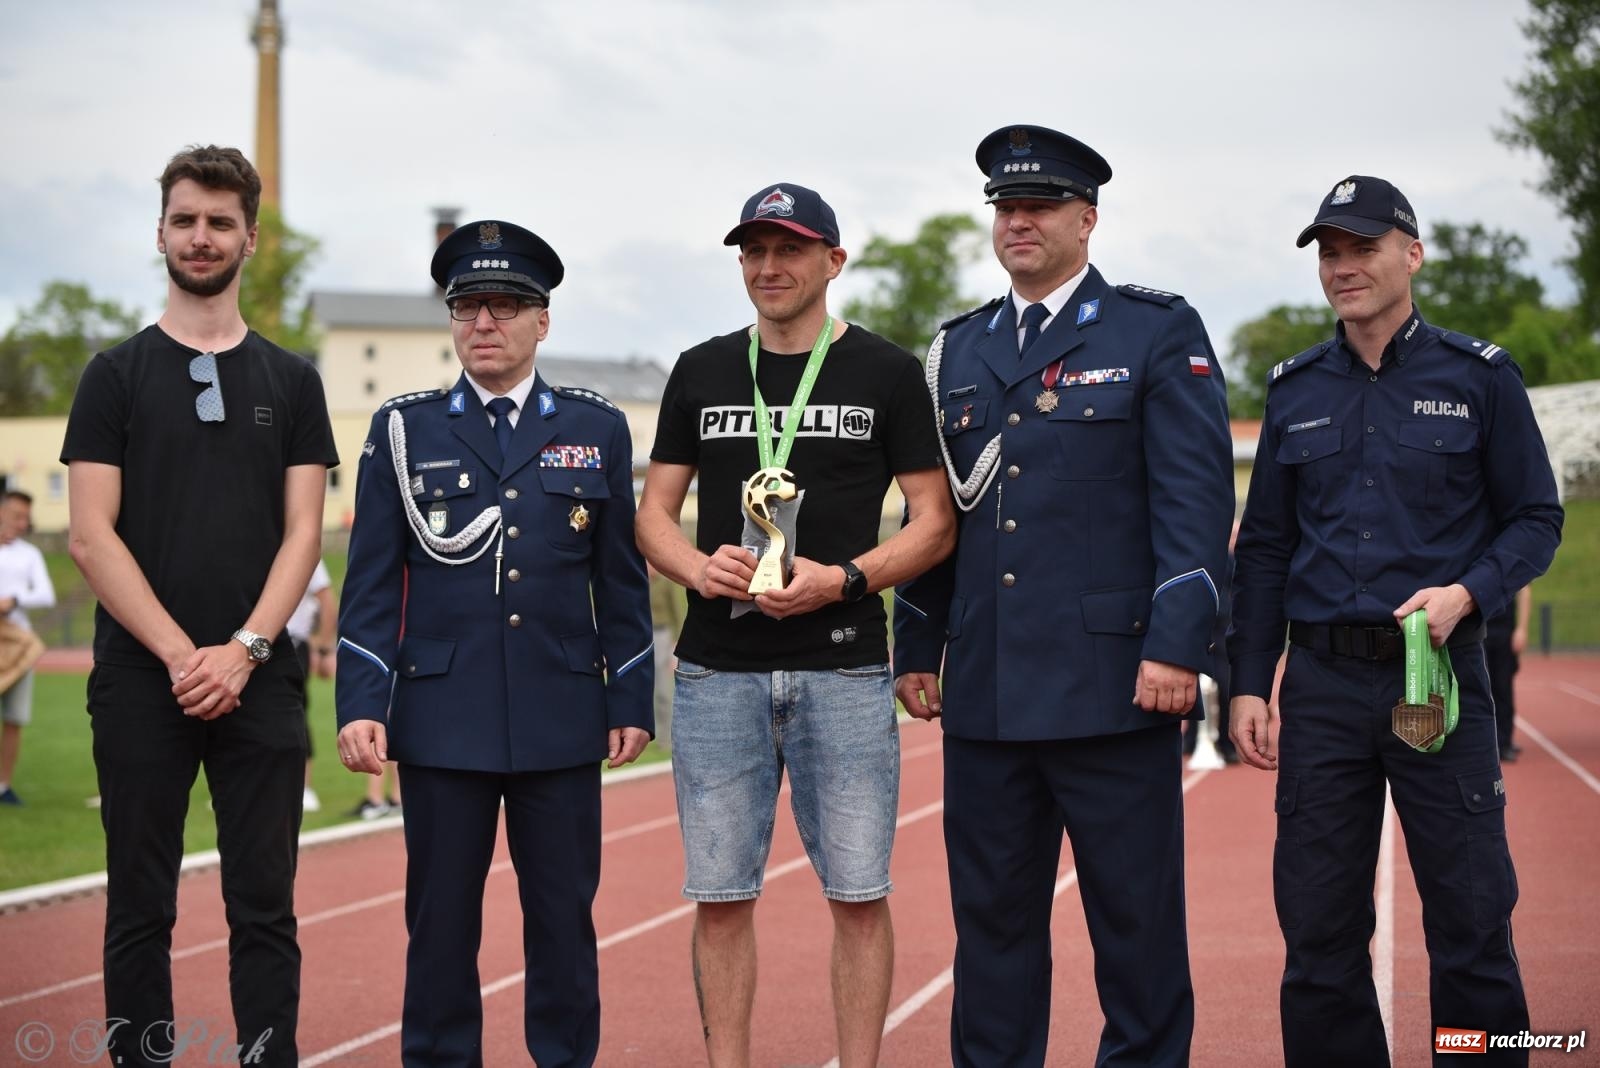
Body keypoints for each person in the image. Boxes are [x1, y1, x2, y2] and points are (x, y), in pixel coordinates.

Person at [893, 125, 1234, 1067]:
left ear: (1087, 218)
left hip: (1114, 687)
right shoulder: (956, 349)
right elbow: (938, 514)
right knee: (992, 930)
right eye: (1006, 207)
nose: (1020, 221)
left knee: (1135, 928)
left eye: (1039, 206)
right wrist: (917, 643)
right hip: (989, 692)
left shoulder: (1153, 330)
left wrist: (1177, 645)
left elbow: (1196, 507)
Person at [1228, 175, 1564, 1067]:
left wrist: (1468, 594)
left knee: (1471, 922)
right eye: (1330, 253)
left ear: (1411, 255)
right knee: (1318, 931)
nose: (1343, 267)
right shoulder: (1294, 389)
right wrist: (1249, 682)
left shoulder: (1480, 378)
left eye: (1363, 248)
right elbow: (1264, 549)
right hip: (1324, 688)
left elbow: (1537, 519)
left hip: (1438, 681)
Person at [637, 182, 955, 1068]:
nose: (768, 267)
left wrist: (844, 579)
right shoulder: (700, 369)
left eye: (789, 250)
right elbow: (653, 513)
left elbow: (935, 522)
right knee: (719, 900)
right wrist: (695, 567)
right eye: (754, 251)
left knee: (859, 895)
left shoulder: (887, 372)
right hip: (717, 671)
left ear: (833, 261)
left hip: (843, 668)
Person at [335, 218, 654, 1067]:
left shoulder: (596, 427)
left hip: (560, 715)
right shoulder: (403, 430)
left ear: (541, 320)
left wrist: (629, 695)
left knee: (563, 921)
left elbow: (620, 581)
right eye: (467, 306)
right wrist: (362, 702)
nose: (483, 322)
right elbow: (371, 585)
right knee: (439, 925)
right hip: (442, 719)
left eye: (504, 306)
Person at [60, 144, 337, 1068]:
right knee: (140, 907)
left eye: (221, 221)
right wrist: (187, 658)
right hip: (144, 682)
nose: (201, 236)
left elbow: (305, 533)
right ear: (161, 233)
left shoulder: (294, 381)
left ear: (249, 238)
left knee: (264, 908)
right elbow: (91, 536)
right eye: (185, 220)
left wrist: (244, 650)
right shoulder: (113, 376)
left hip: (259, 680)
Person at [0, 489, 56, 805]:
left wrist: (14, 600)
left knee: (14, 717)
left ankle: (3, 785)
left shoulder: (29, 554)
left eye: (26, 517)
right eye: (17, 516)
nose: (22, 523)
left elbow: (46, 595)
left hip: (17, 645)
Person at [285, 559, 334, 811]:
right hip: (252, 643)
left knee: (296, 713)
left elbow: (327, 601)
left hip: (292, 644)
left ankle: (304, 787)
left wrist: (324, 648)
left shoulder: (302, 549)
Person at [1485, 586, 1532, 763]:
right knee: (1481, 687)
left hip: (1504, 631)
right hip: (1479, 630)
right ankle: (1486, 742)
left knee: (1503, 687)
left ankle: (1504, 743)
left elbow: (1525, 589)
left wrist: (1522, 629)